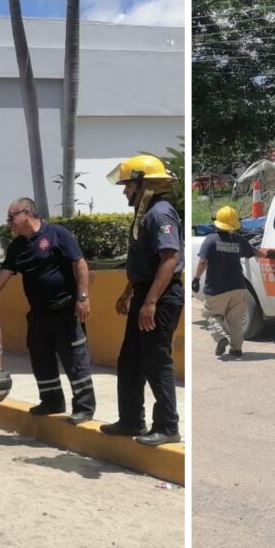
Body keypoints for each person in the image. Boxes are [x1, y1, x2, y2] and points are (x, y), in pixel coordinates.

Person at [0, 198, 96, 424]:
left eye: (12, 217)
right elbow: (2, 277)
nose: (9, 222)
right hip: (39, 313)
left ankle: (84, 407)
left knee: (75, 358)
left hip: (66, 309)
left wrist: (83, 297)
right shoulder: (17, 246)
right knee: (40, 356)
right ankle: (51, 401)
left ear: (27, 213)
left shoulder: (57, 234)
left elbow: (79, 263)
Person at [100, 154, 183, 446]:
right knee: (131, 359)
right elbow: (145, 263)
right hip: (146, 291)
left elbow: (169, 259)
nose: (125, 192)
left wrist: (150, 303)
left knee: (155, 359)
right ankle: (131, 419)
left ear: (143, 185)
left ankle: (167, 426)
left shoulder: (160, 213)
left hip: (160, 296)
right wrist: (129, 292)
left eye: (128, 186)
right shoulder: (146, 212)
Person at [192, 205, 275, 358]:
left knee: (211, 314)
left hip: (216, 288)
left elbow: (203, 261)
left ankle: (221, 337)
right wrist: (267, 255)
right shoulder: (239, 240)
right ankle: (236, 349)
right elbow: (255, 252)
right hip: (238, 287)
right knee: (236, 320)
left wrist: (197, 279)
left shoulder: (211, 240)